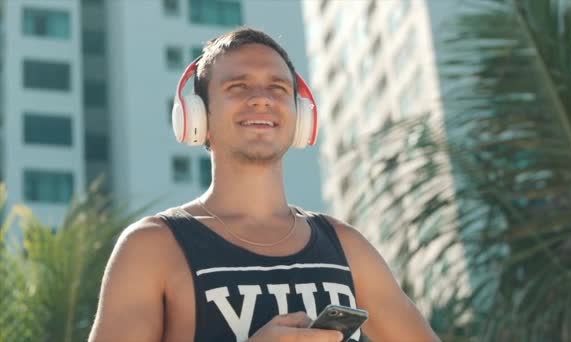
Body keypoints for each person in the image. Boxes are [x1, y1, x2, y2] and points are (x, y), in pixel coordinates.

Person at [88, 27, 439, 342]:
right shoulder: (151, 246)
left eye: (277, 87)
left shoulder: (346, 246)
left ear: (301, 116)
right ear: (196, 116)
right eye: (238, 86)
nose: (261, 98)